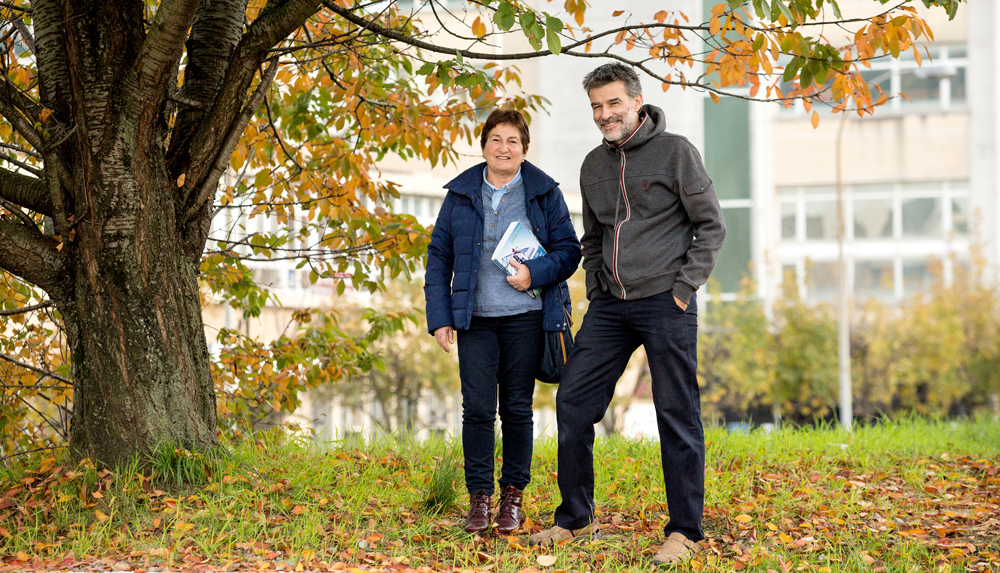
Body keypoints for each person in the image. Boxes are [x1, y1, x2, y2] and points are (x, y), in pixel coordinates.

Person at [528, 63, 726, 565]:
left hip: (666, 301)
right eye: (596, 106)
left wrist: (683, 290)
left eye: (613, 103)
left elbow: (711, 227)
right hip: (611, 306)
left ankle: (685, 531)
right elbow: (592, 239)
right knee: (572, 401)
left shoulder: (676, 152)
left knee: (675, 414)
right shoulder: (593, 164)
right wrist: (597, 287)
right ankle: (575, 517)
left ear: (636, 101)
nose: (604, 114)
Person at [424, 109, 581, 535]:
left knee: (516, 409)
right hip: (474, 320)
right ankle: (479, 498)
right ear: (484, 146)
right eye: (496, 139)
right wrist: (440, 317)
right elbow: (438, 257)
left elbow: (569, 251)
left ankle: (512, 496)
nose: (504, 148)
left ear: (525, 149)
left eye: (513, 141)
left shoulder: (544, 193)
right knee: (476, 410)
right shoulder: (460, 195)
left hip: (527, 319)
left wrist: (535, 274)